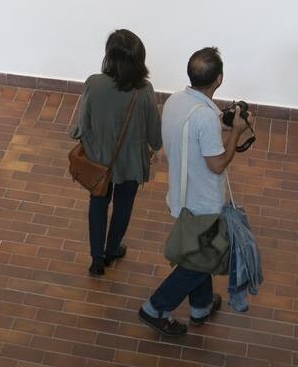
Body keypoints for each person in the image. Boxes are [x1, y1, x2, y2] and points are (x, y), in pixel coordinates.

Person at [139, 47, 245, 337]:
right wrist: (236, 132)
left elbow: (191, 139)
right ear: (219, 79)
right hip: (202, 202)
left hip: (180, 194)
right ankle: (155, 307)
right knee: (200, 263)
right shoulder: (206, 118)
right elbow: (217, 164)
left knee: (200, 253)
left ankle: (201, 306)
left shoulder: (175, 101)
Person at [71, 29, 162, 277]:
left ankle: (96, 259)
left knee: (98, 203)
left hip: (98, 159)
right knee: (123, 205)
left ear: (109, 56)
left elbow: (83, 125)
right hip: (131, 163)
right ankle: (112, 249)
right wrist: (153, 149)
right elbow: (155, 134)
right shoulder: (144, 91)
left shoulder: (94, 83)